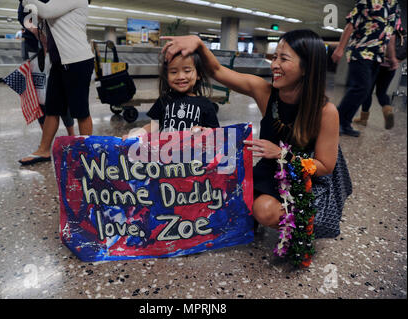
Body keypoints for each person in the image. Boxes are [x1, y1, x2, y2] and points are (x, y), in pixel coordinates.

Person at [161, 30, 340, 229]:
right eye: (274, 57)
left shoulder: (325, 111)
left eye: (283, 58)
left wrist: (282, 155)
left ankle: (299, 225)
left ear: (307, 67)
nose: (274, 65)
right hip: (268, 173)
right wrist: (199, 44)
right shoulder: (265, 93)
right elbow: (218, 71)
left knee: (264, 210)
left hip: (302, 179)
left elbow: (325, 167)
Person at [19, 0, 94, 165]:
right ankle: (44, 150)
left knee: (80, 110)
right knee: (52, 108)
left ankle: (87, 155)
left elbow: (45, 11)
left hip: (77, 61)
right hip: (58, 61)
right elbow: (37, 17)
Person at [331, 0, 400, 137]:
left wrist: (392, 58)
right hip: (360, 50)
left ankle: (345, 123)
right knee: (361, 88)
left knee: (365, 91)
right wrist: (340, 48)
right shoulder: (367, 1)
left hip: (377, 56)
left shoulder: (394, 5)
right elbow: (351, 24)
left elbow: (391, 35)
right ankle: (333, 122)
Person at [17, 0, 75, 151]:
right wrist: (38, 34)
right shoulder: (26, 3)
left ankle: (71, 136)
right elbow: (23, 17)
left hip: (58, 47)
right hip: (34, 49)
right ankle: (47, 140)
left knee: (61, 94)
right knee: (38, 96)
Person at [124, 50, 220, 138]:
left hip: (194, 154)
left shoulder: (205, 104)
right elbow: (153, 126)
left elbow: (216, 133)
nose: (180, 76)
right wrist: (133, 135)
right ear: (167, 76)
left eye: (187, 71)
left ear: (198, 74)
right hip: (165, 153)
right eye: (173, 72)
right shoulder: (164, 100)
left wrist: (204, 131)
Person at [353, 16, 404, 129]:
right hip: (391, 66)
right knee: (382, 92)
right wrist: (394, 60)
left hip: (377, 63)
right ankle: (387, 111)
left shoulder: (384, 24)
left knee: (368, 91)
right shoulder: (402, 34)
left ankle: (363, 119)